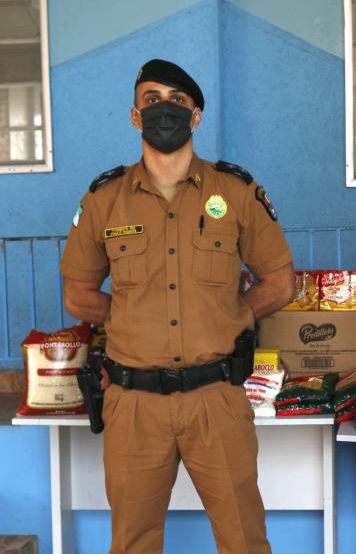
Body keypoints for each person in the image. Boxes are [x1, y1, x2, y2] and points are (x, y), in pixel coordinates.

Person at [60, 59, 294, 554]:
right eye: (151, 100)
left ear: (196, 117)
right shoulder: (103, 199)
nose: (163, 110)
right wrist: (130, 316)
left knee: (244, 539)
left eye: (177, 101)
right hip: (133, 404)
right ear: (133, 115)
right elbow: (77, 295)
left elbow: (279, 284)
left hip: (217, 398)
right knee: (132, 542)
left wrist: (228, 315)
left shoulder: (236, 192)